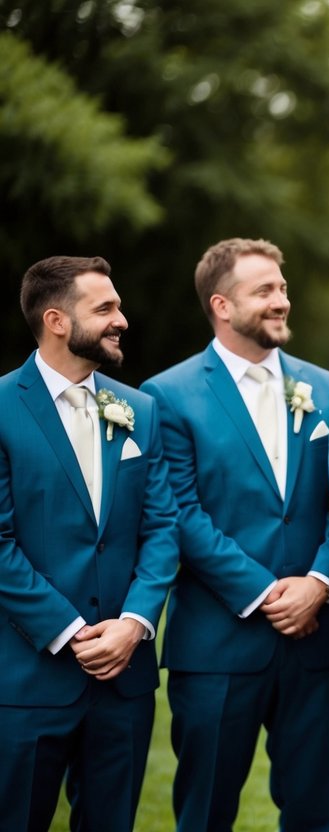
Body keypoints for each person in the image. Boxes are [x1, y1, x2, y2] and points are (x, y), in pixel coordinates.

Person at [142, 238, 329, 831]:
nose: (281, 300)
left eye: (282, 288)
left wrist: (318, 583)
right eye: (264, 291)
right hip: (217, 645)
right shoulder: (168, 396)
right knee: (205, 812)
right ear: (222, 306)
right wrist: (267, 594)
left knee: (315, 815)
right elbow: (181, 514)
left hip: (318, 643)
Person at [0, 256, 178, 831]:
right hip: (28, 679)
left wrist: (134, 623)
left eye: (118, 306)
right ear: (56, 319)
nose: (121, 319)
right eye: (105, 309)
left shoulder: (140, 411)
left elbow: (162, 529)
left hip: (124, 682)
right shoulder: (1, 408)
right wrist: (73, 633)